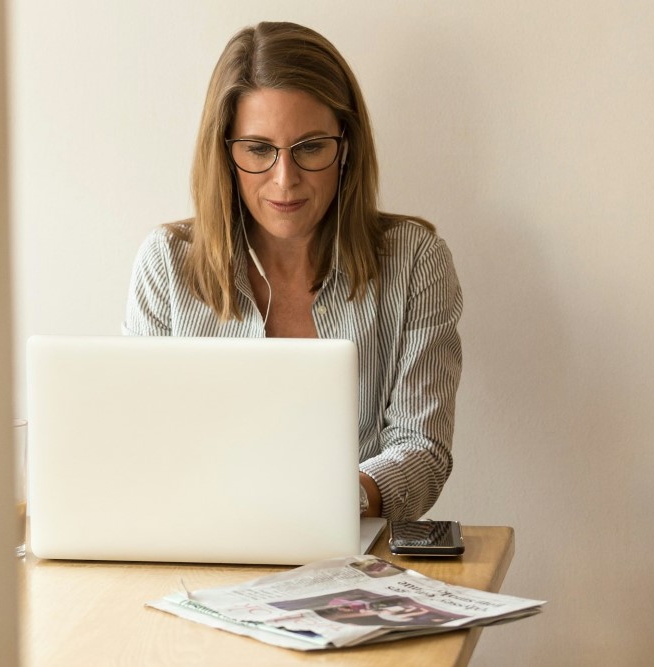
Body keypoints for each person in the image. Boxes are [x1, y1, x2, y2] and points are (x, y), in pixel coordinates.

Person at [122, 21, 462, 521]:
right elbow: (139, 446)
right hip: (199, 547)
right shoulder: (167, 264)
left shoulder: (415, 261)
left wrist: (328, 502)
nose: (285, 180)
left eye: (310, 147)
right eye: (259, 149)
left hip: (354, 556)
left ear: (345, 146)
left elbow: (423, 450)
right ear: (225, 153)